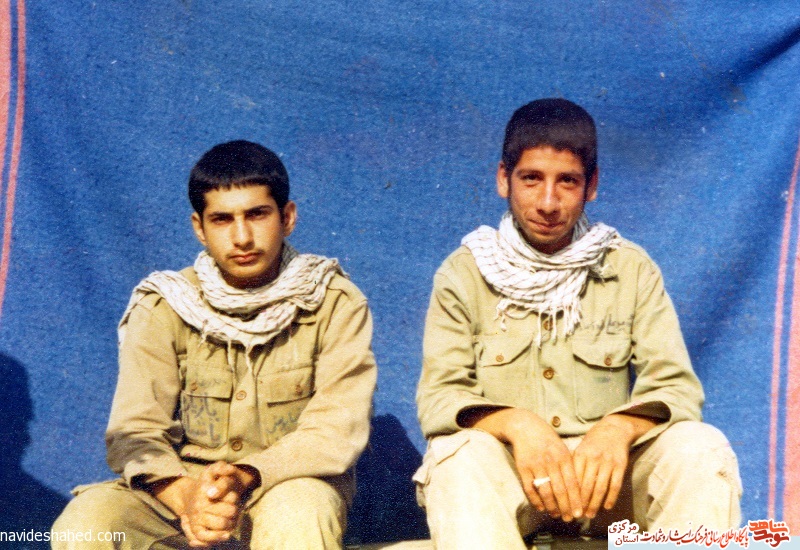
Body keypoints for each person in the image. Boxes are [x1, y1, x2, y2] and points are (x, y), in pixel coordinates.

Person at [413, 99, 742, 549]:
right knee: (455, 457)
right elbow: (440, 397)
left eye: (567, 181)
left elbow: (678, 390)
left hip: (609, 486)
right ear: (503, 179)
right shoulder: (464, 273)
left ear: (592, 186)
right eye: (531, 178)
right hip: (518, 482)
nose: (548, 202)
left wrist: (619, 429)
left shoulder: (628, 268)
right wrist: (518, 425)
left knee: (700, 448)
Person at [53, 140, 377, 549]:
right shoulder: (166, 304)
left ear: (287, 217)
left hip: (285, 485)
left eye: (257, 214)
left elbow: (335, 431)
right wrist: (186, 496)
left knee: (298, 514)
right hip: (180, 492)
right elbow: (135, 430)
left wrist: (246, 475)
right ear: (199, 228)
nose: (242, 237)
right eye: (222, 220)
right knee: (86, 523)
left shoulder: (332, 302)